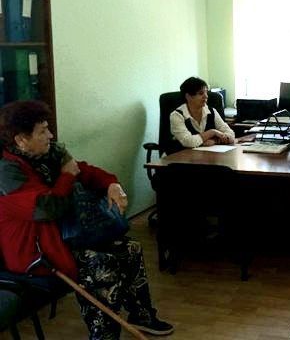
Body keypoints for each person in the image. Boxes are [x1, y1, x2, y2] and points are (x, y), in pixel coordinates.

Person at [0, 100, 173, 339]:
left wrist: (112, 184)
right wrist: (67, 177)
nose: (50, 135)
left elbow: (84, 170)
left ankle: (141, 316)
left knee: (130, 248)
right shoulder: (7, 174)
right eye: (43, 131)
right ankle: (104, 336)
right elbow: (46, 208)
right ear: (21, 140)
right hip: (37, 253)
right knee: (101, 263)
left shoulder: (48, 155)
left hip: (64, 237)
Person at [169, 76, 235, 150]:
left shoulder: (211, 111)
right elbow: (188, 142)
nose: (206, 96)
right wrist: (212, 132)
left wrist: (215, 140)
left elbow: (231, 134)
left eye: (206, 92)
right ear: (188, 96)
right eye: (201, 93)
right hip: (179, 155)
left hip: (204, 154)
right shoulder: (177, 115)